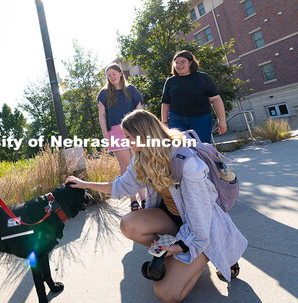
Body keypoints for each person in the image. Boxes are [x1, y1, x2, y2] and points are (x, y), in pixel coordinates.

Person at [66, 109, 247, 302]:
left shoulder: (186, 162)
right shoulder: (142, 157)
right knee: (129, 224)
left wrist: (179, 247)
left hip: (203, 230)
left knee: (166, 294)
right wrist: (85, 184)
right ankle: (183, 258)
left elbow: (200, 221)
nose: (127, 142)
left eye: (129, 137)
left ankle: (210, 254)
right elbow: (122, 186)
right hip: (174, 218)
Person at [97, 63, 145, 211]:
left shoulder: (131, 90)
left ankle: (144, 198)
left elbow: (139, 109)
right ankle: (133, 200)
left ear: (120, 73)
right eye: (109, 75)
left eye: (114, 74)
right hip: (115, 132)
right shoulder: (104, 94)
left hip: (133, 130)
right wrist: (106, 135)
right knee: (125, 166)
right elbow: (102, 115)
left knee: (138, 164)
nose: (112, 77)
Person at [161, 50, 227, 143]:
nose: (179, 65)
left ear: (190, 63)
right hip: (177, 120)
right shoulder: (170, 82)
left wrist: (222, 121)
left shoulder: (203, 78)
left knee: (201, 149)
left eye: (183, 62)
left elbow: (216, 99)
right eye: (176, 63)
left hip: (201, 119)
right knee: (180, 151)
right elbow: (165, 104)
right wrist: (164, 124)